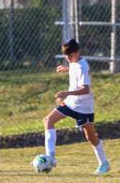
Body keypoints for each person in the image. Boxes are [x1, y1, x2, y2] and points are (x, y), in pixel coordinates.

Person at [43, 39, 109, 174]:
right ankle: (51, 157)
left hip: (84, 107)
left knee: (91, 137)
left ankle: (104, 163)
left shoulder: (82, 66)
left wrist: (66, 93)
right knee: (48, 120)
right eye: (66, 56)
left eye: (70, 56)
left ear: (77, 52)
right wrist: (66, 69)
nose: (68, 58)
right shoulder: (74, 62)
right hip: (70, 103)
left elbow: (85, 89)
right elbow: (74, 70)